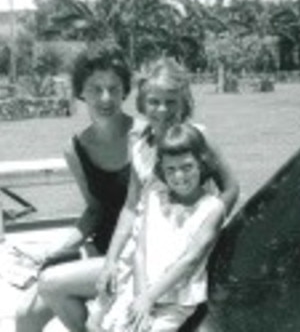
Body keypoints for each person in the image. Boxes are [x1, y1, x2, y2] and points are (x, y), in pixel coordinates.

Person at [89, 56, 239, 331]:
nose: (162, 109)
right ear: (142, 103)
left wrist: (207, 225)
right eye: (154, 101)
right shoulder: (140, 147)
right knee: (98, 319)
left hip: (182, 253)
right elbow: (131, 207)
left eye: (171, 102)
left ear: (184, 102)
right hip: (143, 248)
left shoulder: (197, 139)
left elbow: (230, 188)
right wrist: (111, 259)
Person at [15, 45, 143, 332]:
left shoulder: (144, 136)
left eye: (113, 88)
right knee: (26, 314)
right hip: (100, 249)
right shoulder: (76, 148)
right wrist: (56, 250)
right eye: (96, 89)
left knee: (52, 285)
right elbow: (95, 210)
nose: (105, 98)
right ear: (81, 92)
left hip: (136, 255)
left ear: (125, 90)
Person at [89, 123, 226, 331]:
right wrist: (141, 298)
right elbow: (141, 252)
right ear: (161, 169)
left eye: (187, 167)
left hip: (175, 301)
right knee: (98, 325)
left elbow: (190, 260)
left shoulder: (211, 208)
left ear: (201, 162)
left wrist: (149, 299)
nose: (179, 176)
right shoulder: (154, 198)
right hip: (140, 290)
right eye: (171, 169)